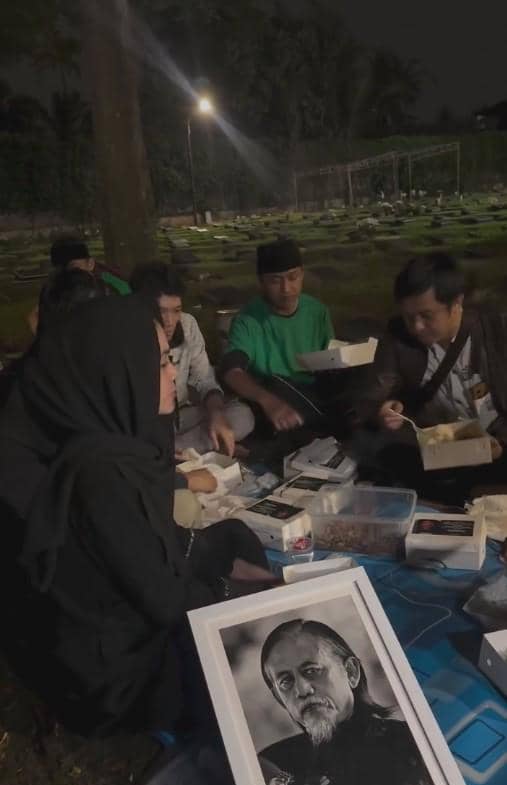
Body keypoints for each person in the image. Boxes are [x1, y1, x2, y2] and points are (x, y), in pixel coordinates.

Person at [0, 295, 275, 737]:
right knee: (246, 636)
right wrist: (233, 594)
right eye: (161, 362)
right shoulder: (99, 473)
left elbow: (150, 543)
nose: (171, 375)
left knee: (232, 537)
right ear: (116, 369)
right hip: (118, 678)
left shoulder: (103, 439)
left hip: (127, 612)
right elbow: (168, 603)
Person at [258, 619, 433, 785]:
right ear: (279, 699)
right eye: (285, 682)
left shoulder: (412, 742)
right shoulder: (272, 763)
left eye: (312, 671)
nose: (302, 689)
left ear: (351, 672)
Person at [359, 253, 507, 503]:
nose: (416, 326)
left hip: (497, 448)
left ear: (456, 303)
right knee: (387, 456)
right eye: (408, 316)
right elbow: (370, 396)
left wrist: (500, 443)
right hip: (437, 454)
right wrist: (385, 408)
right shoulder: (398, 337)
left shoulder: (496, 332)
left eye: (426, 316)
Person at [130, 261, 254, 457]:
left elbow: (204, 379)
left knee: (242, 416)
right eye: (161, 311)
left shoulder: (187, 325)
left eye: (176, 310)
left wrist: (217, 414)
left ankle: (176, 452)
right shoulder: (128, 334)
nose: (170, 322)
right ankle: (182, 451)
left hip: (180, 417)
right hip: (144, 425)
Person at [220, 240, 335, 436]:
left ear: (302, 275)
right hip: (273, 396)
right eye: (275, 280)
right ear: (262, 282)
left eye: (293, 277)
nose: (286, 289)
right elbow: (232, 370)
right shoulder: (248, 320)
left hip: (313, 391)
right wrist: (269, 401)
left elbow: (331, 359)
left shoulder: (317, 311)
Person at [29, 237, 130, 336]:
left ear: (90, 264)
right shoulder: (55, 289)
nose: (68, 275)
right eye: (60, 269)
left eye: (74, 268)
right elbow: (34, 317)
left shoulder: (114, 287)